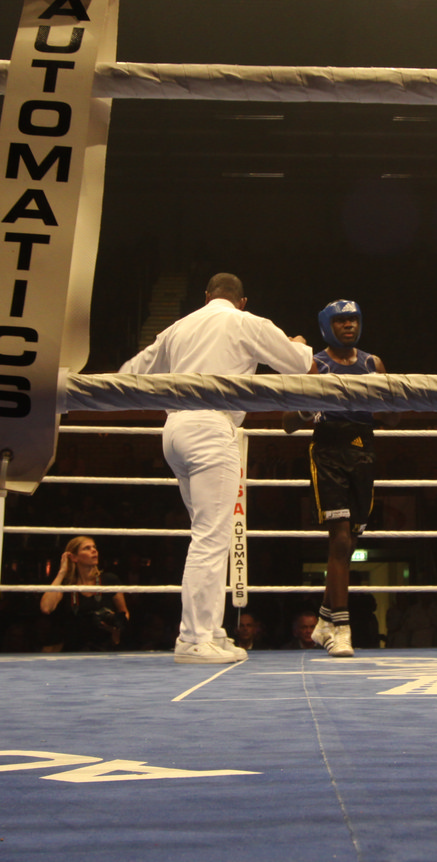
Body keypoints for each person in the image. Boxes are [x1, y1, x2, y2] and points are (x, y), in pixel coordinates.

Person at [120, 272, 315, 664]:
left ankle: (210, 632)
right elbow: (299, 365)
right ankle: (193, 639)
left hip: (174, 432)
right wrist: (298, 343)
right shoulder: (245, 322)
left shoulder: (178, 327)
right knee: (210, 538)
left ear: (206, 296)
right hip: (211, 429)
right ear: (242, 301)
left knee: (211, 536)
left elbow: (129, 374)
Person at [283, 299, 401, 657]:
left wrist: (380, 400)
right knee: (339, 540)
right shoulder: (314, 365)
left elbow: (393, 419)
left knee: (348, 543)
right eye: (340, 320)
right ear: (326, 326)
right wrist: (308, 405)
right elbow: (288, 423)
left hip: (364, 449)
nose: (348, 325)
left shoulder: (372, 364)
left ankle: (324, 620)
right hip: (328, 451)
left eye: (353, 319)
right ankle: (341, 628)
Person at [40, 536, 129, 651]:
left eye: (94, 547)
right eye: (87, 548)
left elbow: (124, 612)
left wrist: (115, 627)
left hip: (104, 647)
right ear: (74, 557)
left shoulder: (110, 580)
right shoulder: (67, 584)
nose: (94, 550)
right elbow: (46, 608)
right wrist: (62, 572)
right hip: (73, 648)